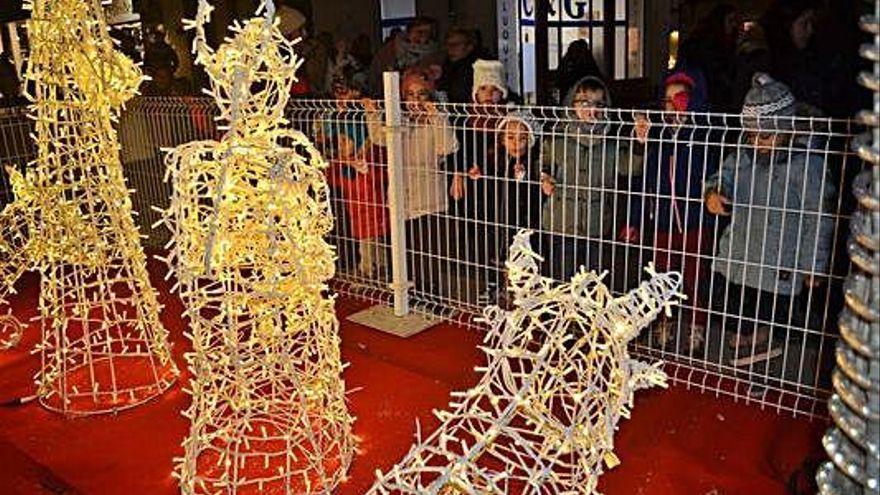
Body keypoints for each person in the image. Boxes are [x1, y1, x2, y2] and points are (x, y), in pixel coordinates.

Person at [704, 73, 835, 367]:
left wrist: (814, 264)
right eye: (752, 136)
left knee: (772, 310)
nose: (758, 143)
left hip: (779, 258)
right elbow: (723, 174)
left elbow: (820, 216)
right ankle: (748, 341)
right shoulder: (746, 153)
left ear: (786, 127)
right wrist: (714, 192)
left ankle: (765, 352)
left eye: (765, 136)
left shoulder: (806, 163)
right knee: (734, 303)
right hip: (741, 249)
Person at [621, 67, 719, 353]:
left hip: (695, 221)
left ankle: (696, 328)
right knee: (662, 277)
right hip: (662, 222)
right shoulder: (659, 139)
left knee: (695, 277)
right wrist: (634, 220)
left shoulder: (704, 135)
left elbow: (712, 173)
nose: (673, 106)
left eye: (681, 98)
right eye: (668, 100)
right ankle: (666, 322)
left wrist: (688, 133)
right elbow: (643, 183)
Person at [364, 68, 458, 300]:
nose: (415, 100)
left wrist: (438, 117)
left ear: (430, 97)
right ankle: (409, 296)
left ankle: (433, 297)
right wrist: (372, 113)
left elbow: (447, 147)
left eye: (421, 95)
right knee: (404, 252)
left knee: (428, 254)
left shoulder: (435, 122)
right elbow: (378, 138)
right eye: (410, 95)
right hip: (401, 199)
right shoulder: (399, 122)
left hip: (430, 200)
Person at [542, 76, 644, 282]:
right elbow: (544, 158)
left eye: (599, 104)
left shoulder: (612, 142)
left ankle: (590, 313)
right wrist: (544, 175)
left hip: (596, 223)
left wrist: (640, 143)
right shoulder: (559, 136)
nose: (592, 109)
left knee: (593, 278)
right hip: (560, 221)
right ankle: (565, 312)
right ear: (573, 104)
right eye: (585, 103)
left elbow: (629, 168)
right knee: (562, 277)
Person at [326, 121, 389, 279]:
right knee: (370, 244)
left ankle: (368, 272)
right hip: (357, 213)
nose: (340, 146)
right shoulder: (343, 164)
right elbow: (331, 178)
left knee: (371, 245)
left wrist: (365, 170)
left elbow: (381, 179)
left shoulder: (370, 157)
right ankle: (376, 271)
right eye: (338, 142)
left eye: (345, 141)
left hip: (374, 211)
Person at [676, 4, 744, 112]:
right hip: (707, 104)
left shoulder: (725, 46)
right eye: (730, 21)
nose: (734, 25)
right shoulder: (706, 47)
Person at [369, 17, 443, 96]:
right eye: (419, 31)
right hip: (390, 95)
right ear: (409, 31)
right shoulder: (390, 50)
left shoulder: (434, 54)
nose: (422, 35)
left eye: (427, 32)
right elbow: (376, 73)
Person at [554, 40, 603, 105]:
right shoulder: (587, 60)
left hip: (572, 92)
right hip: (582, 92)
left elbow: (559, 78)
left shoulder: (567, 60)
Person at [437, 27, 479, 104]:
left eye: (456, 45)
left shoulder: (478, 69)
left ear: (469, 47)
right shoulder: (444, 66)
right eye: (447, 44)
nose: (450, 48)